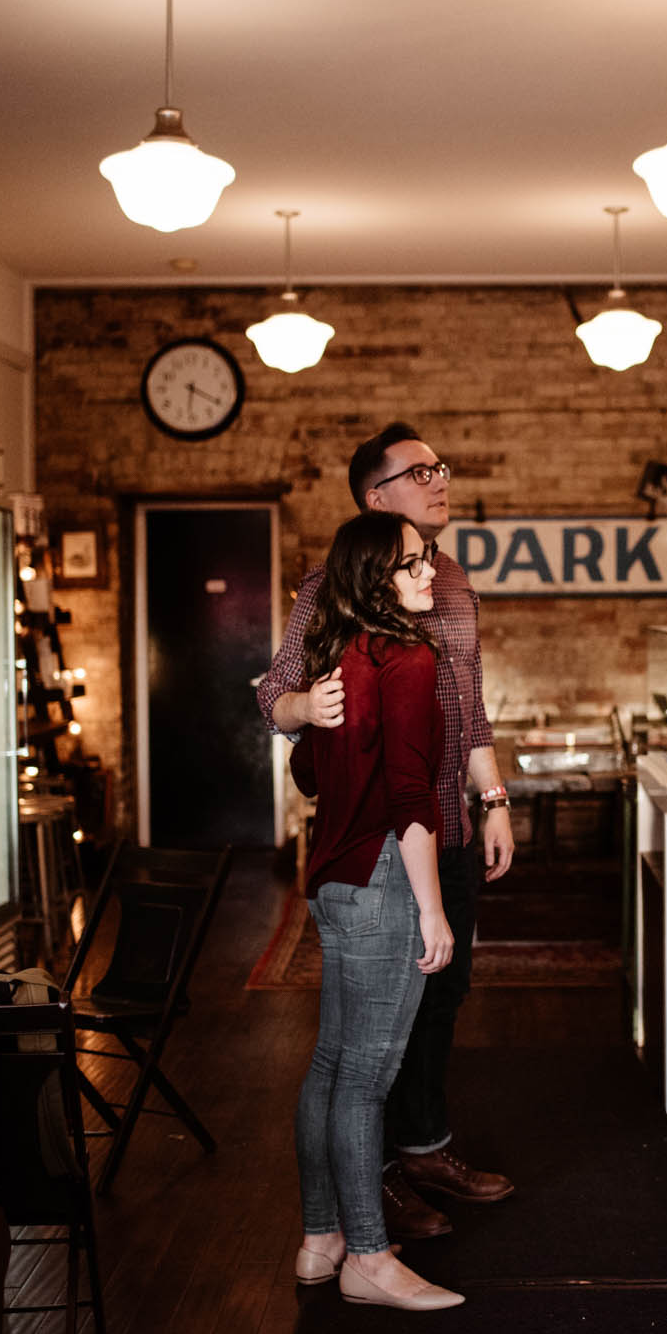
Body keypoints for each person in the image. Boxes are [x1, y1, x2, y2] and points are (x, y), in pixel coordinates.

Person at [257, 421, 517, 1244]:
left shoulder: (455, 584)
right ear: (377, 498)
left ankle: (423, 1147)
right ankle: (370, 1189)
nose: (441, 479)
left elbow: (470, 709)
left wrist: (496, 799)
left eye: (443, 465)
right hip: (380, 838)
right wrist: (306, 708)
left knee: (441, 999)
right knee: (371, 1034)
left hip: (447, 826)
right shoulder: (324, 587)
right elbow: (275, 694)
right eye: (420, 471)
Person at [289, 510, 462, 1311]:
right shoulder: (406, 655)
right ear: (372, 578)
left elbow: (306, 771)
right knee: (364, 1078)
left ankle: (321, 1238)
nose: (429, 572)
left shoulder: (339, 654)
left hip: (333, 875)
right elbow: (410, 796)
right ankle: (367, 1255)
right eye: (412, 564)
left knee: (330, 1063)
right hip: (383, 876)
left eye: (426, 560)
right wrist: (432, 909)